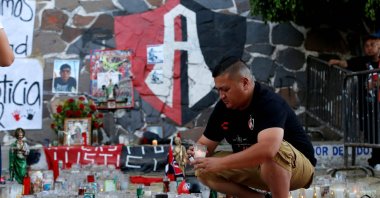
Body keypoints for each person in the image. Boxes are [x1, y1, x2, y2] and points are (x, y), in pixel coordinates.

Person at [188, 57, 316, 198]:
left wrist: (220, 163)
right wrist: (196, 153)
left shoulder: (269, 102)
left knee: (274, 150)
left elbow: (268, 150)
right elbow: (204, 145)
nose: (222, 96)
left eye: (226, 89)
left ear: (245, 83)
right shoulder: (223, 108)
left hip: (298, 169)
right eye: (219, 90)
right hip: (258, 167)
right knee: (203, 169)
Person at [328, 34, 380, 167]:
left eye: (372, 44)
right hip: (369, 106)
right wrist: (337, 62)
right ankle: (375, 161)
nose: (369, 48)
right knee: (372, 134)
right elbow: (348, 63)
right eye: (366, 45)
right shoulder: (362, 61)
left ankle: (376, 161)